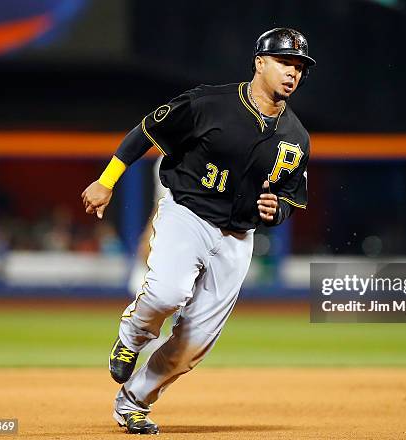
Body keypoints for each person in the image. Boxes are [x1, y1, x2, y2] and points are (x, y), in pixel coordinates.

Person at [81, 27, 315, 435]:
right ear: (260, 63)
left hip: (238, 239)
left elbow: (292, 198)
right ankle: (132, 337)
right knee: (166, 293)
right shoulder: (211, 102)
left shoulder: (296, 137)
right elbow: (146, 132)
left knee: (194, 343)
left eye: (298, 67)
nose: (291, 72)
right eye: (283, 62)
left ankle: (134, 401)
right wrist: (107, 180)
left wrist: (275, 213)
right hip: (187, 214)